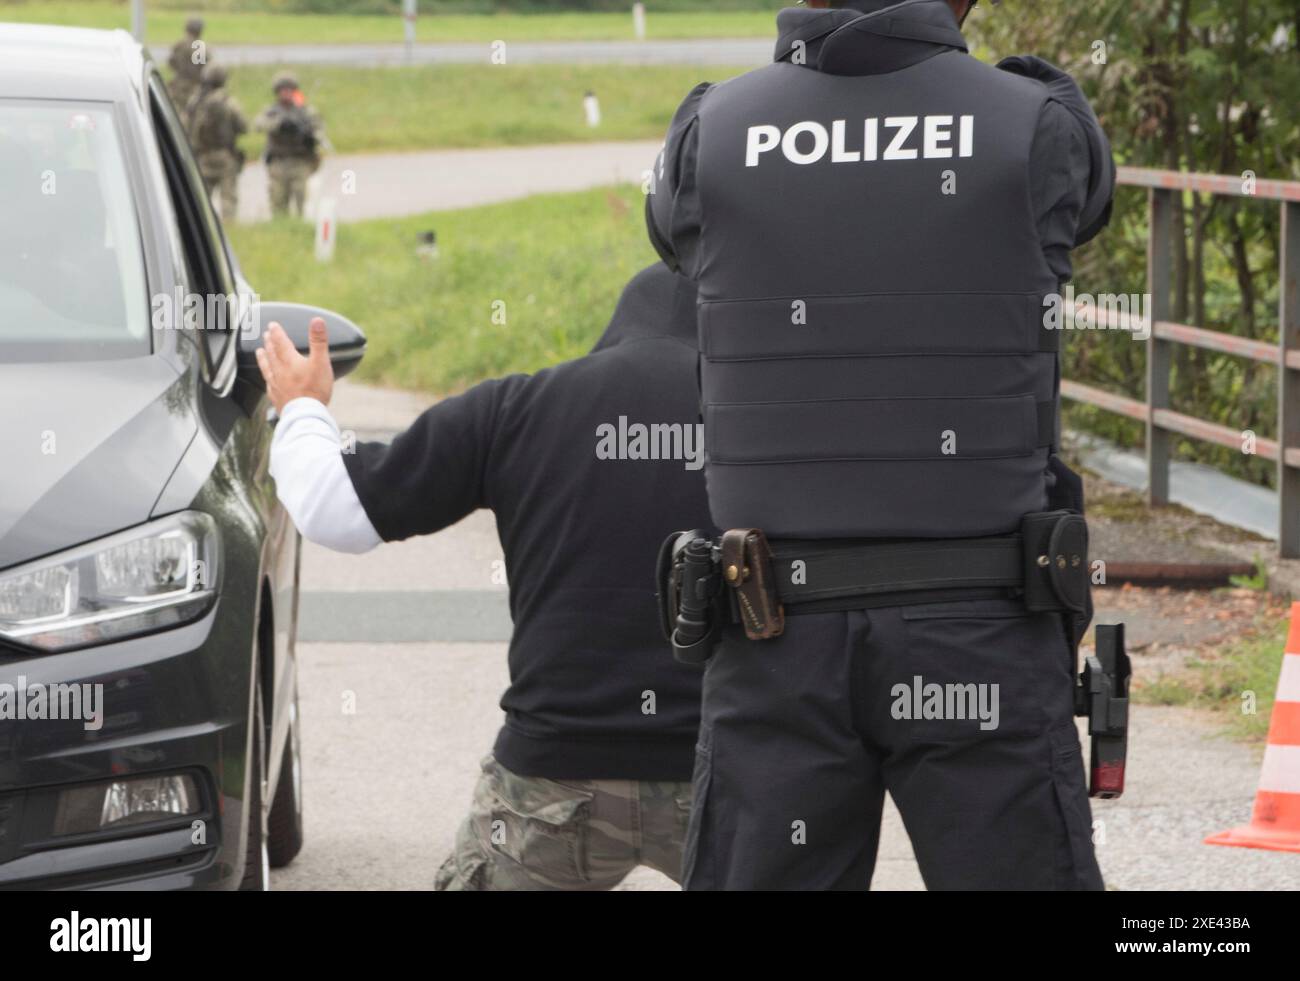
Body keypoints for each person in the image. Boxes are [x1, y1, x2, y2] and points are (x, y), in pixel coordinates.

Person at [647, 0, 1116, 889]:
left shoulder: (712, 129)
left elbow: (673, 232)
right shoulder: (1036, 124)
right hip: (984, 627)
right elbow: (1086, 198)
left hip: (772, 630)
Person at [255, 264, 714, 889]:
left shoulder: (519, 409)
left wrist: (303, 408)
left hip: (551, 781)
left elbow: (336, 508)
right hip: (724, 775)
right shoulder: (773, 419)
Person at [254, 72, 324, 218]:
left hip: (300, 162)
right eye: (283, 90)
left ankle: (299, 227)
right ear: (277, 92)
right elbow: (258, 124)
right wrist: (280, 124)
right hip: (279, 162)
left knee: (301, 200)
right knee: (278, 201)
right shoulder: (271, 111)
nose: (286, 93)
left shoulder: (305, 112)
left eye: (289, 90)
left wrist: (309, 136)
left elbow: (319, 130)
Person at [186, 64, 246, 221]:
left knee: (201, 200)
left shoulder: (195, 101)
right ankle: (230, 229)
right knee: (228, 198)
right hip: (225, 155)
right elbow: (243, 127)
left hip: (201, 156)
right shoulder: (228, 101)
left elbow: (185, 125)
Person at [167, 17, 206, 112]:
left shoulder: (179, 45)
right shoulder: (198, 46)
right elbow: (201, 69)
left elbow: (171, 62)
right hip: (193, 89)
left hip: (177, 86)